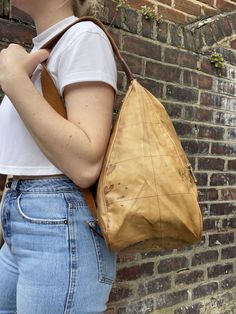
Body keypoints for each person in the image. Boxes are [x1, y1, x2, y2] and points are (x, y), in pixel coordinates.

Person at [0, 0, 118, 312]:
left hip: (60, 225)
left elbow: (85, 164)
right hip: (26, 222)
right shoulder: (45, 49)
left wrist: (14, 82)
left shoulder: (85, 38)